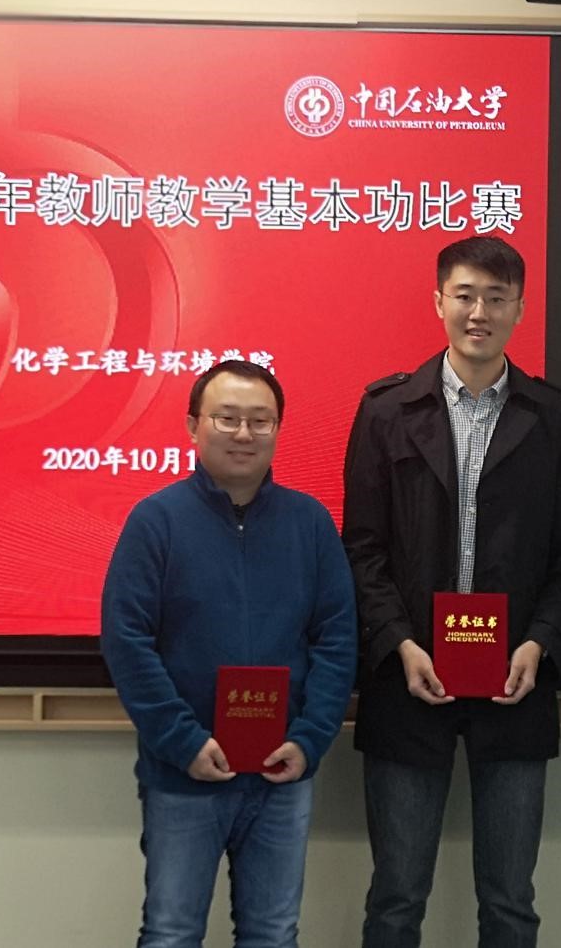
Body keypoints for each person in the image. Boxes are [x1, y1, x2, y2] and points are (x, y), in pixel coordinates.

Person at [342, 235, 561, 947]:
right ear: (439, 302)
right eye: (465, 295)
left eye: (496, 298)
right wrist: (399, 643)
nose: (479, 312)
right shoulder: (387, 411)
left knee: (510, 901)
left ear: (519, 309)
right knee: (396, 898)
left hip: (515, 684)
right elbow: (361, 549)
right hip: (407, 681)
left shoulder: (553, 419)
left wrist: (540, 645)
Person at [102, 360, 357, 948]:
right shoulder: (156, 521)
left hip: (281, 772)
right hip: (182, 774)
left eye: (260, 421)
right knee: (171, 933)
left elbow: (337, 639)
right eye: (227, 418)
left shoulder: (310, 524)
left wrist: (310, 739)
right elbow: (127, 640)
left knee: (272, 934)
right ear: (193, 426)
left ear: (277, 430)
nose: (244, 434)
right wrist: (183, 742)